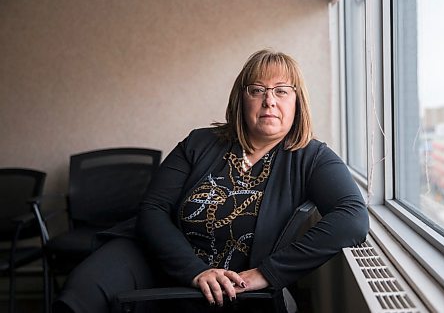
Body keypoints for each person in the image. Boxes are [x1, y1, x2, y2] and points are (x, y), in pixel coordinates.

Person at [53, 49, 369, 313]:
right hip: (155, 256)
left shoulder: (311, 157)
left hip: (232, 285)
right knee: (82, 291)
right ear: (241, 99)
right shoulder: (200, 143)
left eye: (282, 91)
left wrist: (267, 273)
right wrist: (195, 271)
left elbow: (353, 218)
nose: (268, 101)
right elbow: (153, 208)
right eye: (256, 90)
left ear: (297, 101)